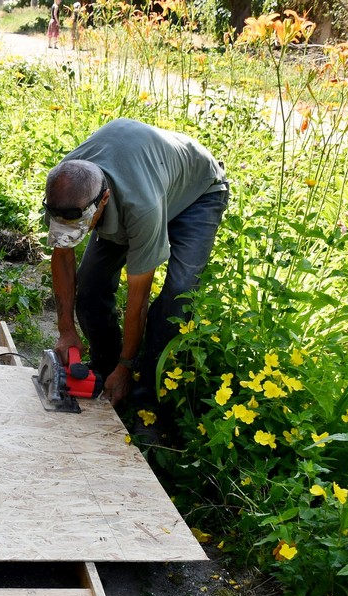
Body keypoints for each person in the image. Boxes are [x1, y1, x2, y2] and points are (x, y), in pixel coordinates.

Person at [43, 119, 228, 430]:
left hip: (197, 194)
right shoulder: (65, 186)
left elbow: (138, 301)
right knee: (90, 289)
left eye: (80, 227)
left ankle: (146, 400)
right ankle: (105, 366)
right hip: (145, 178)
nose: (71, 233)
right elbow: (62, 256)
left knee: (176, 299)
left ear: (102, 202)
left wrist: (128, 367)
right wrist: (66, 331)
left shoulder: (141, 208)